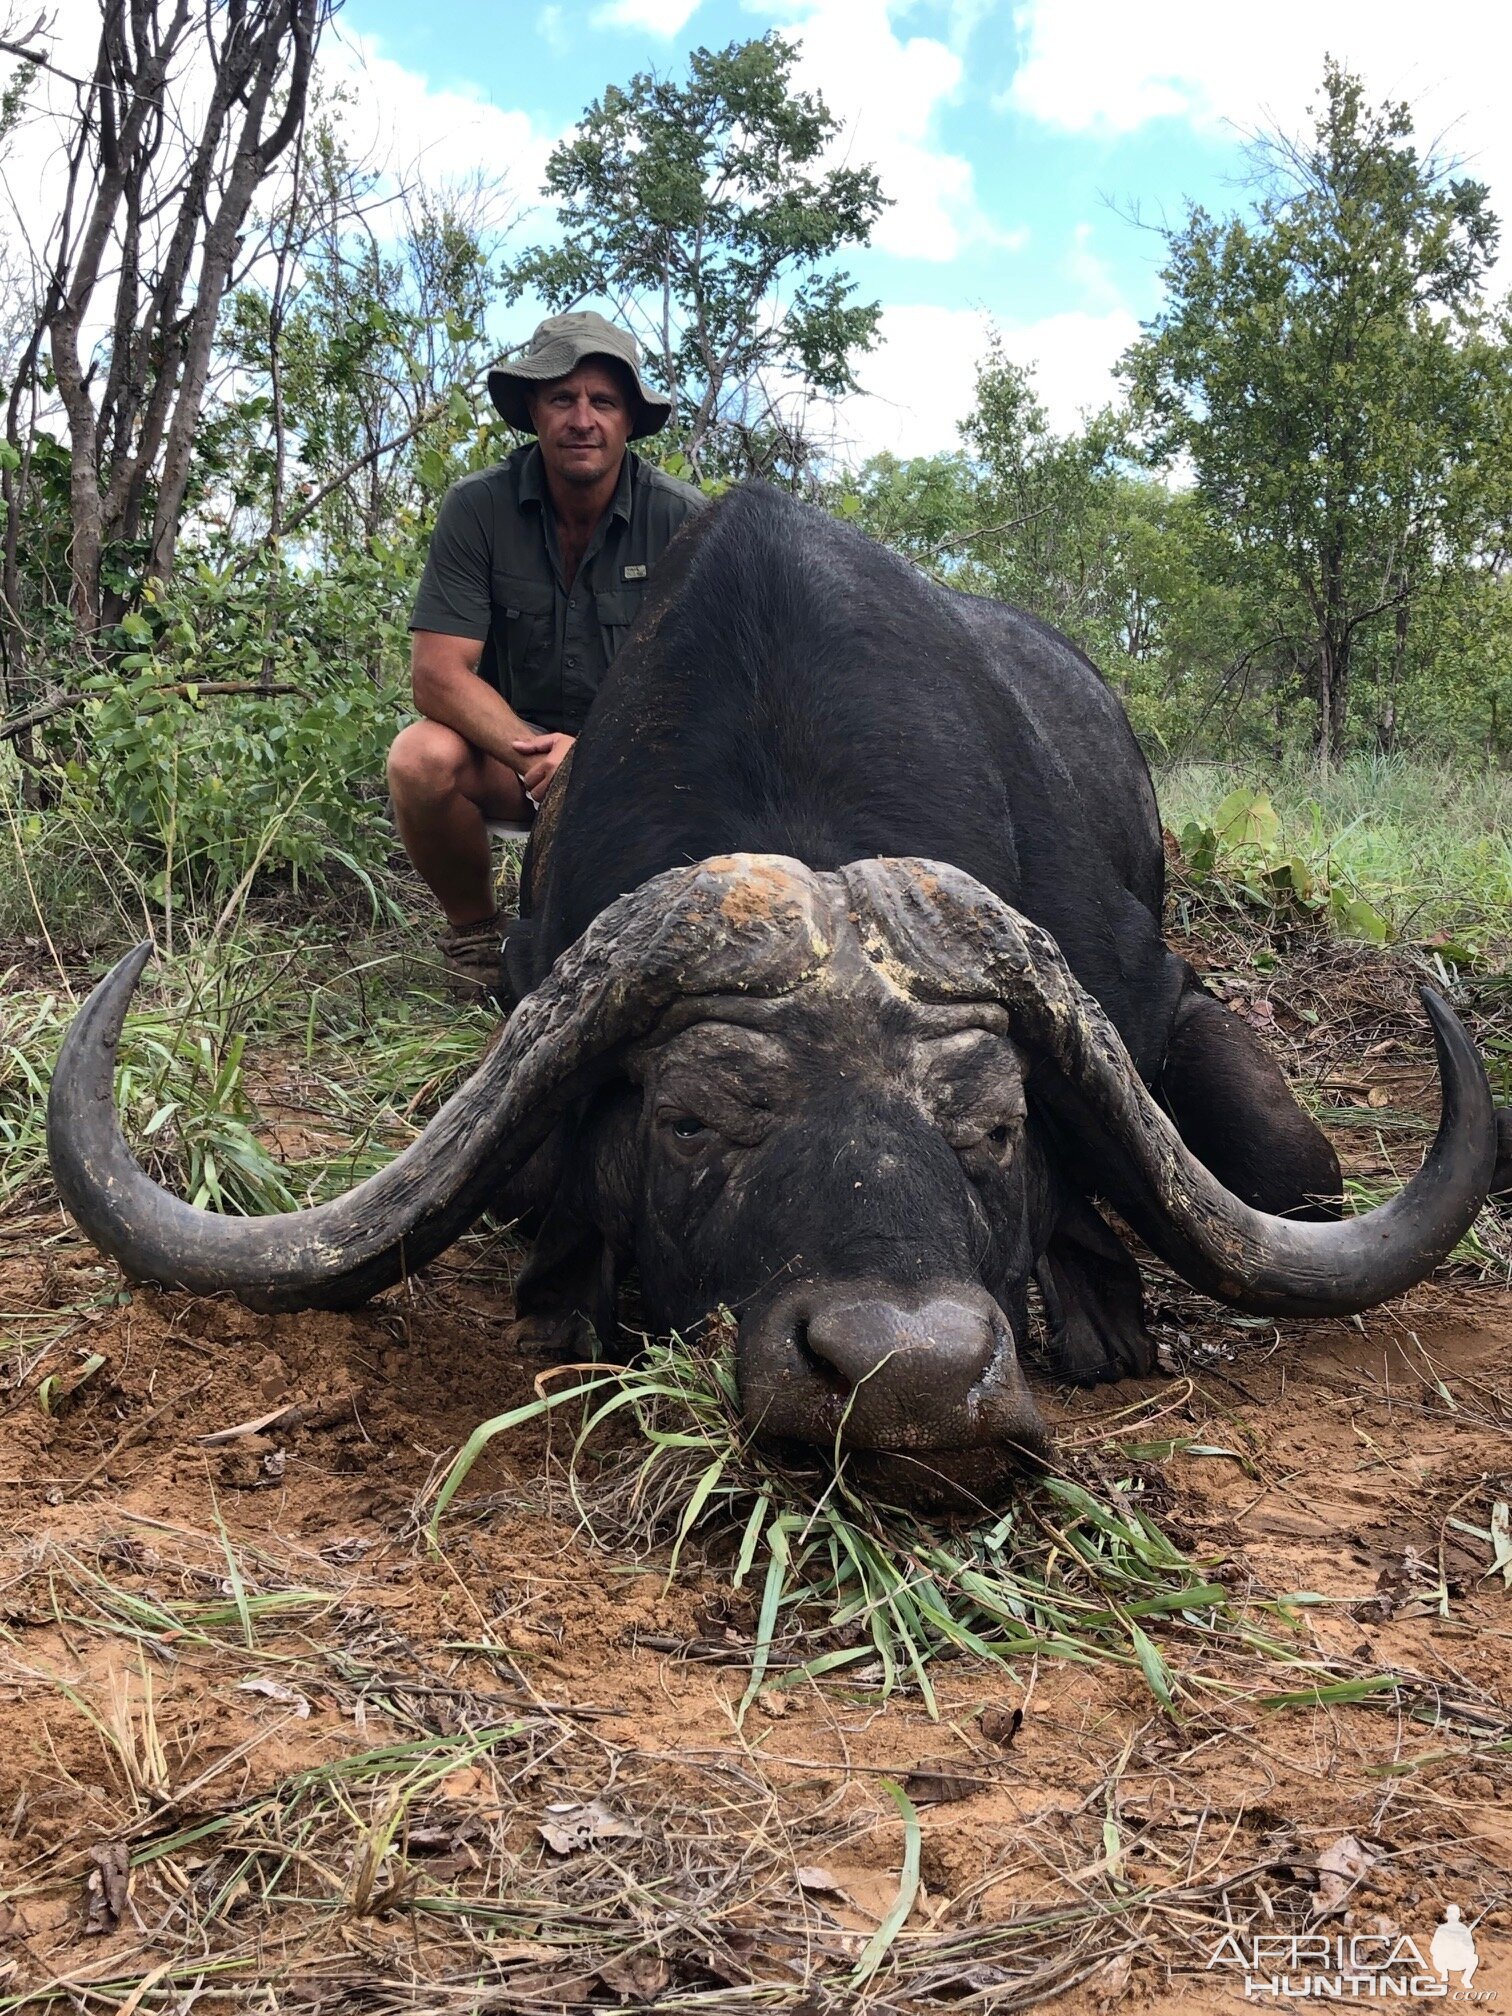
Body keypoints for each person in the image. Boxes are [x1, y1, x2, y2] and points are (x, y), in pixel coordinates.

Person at [390, 311, 706, 991]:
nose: (582, 419)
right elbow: (437, 676)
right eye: (562, 399)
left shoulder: (683, 520)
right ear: (534, 410)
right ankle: (476, 940)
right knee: (420, 758)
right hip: (519, 761)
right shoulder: (478, 508)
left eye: (603, 401)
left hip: (641, 774)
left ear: (628, 420)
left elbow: (709, 692)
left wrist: (593, 762)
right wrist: (545, 760)